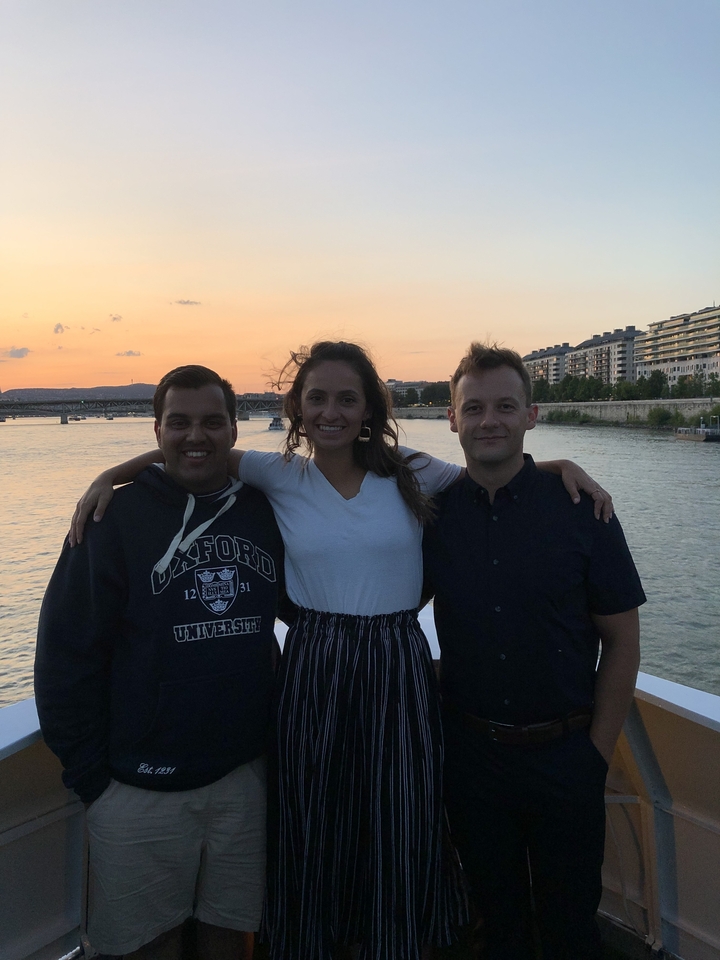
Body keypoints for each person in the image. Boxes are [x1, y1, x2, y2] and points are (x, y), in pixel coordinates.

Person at [70, 341, 612, 960]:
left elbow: (489, 472)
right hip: (315, 662)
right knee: (313, 820)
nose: (332, 411)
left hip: (396, 661)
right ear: (299, 407)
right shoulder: (280, 473)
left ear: (368, 408)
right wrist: (110, 476)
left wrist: (559, 465)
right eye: (318, 397)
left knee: (400, 819)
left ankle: (394, 942)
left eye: (347, 398)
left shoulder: (409, 469)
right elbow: (198, 454)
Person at [35, 365, 284, 960]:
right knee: (148, 946)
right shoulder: (111, 521)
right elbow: (65, 659)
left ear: (233, 429)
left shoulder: (267, 510)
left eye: (211, 422)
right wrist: (94, 781)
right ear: (157, 430)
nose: (195, 436)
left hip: (243, 781)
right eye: (179, 422)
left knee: (232, 938)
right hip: (136, 790)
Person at [422, 343, 646, 960]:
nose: (489, 420)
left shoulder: (583, 512)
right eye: (474, 408)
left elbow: (622, 641)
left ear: (531, 415)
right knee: (498, 924)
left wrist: (595, 755)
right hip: (471, 760)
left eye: (505, 406)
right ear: (452, 419)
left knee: (571, 926)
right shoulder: (432, 516)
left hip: (565, 759)